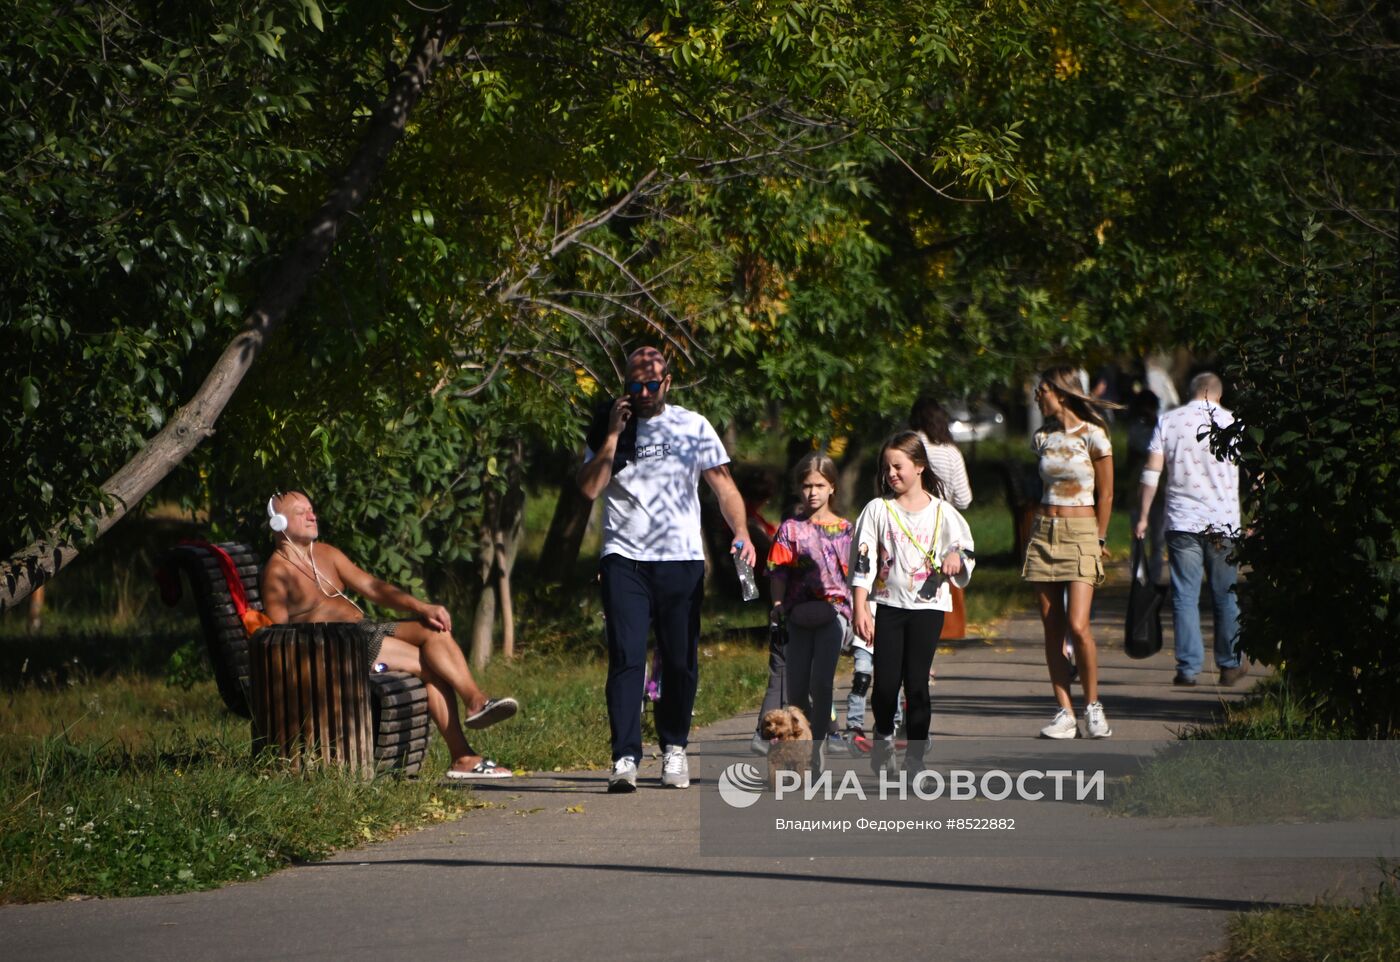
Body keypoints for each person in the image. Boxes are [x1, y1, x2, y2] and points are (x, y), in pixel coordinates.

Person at [578, 346, 755, 794]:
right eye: (635, 385)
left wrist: (742, 532)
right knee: (627, 658)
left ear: (668, 383)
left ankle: (674, 747)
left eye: (651, 384)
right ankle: (624, 758)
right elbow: (589, 488)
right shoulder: (607, 425)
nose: (643, 392)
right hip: (624, 558)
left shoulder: (692, 426)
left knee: (679, 660)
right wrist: (614, 435)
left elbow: (724, 487)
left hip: (680, 560)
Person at [260, 491, 518, 779]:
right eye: (301, 512)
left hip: (365, 631)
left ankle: (475, 701)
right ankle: (463, 756)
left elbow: (372, 587)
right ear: (279, 523)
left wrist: (422, 607)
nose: (312, 516)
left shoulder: (326, 554)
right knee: (431, 666)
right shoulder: (277, 573)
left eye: (311, 509)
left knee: (434, 628)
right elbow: (279, 638)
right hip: (336, 648)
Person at [850, 432, 975, 774]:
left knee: (917, 684)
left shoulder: (942, 512)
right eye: (886, 467)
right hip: (888, 607)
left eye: (898, 466)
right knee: (886, 685)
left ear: (919, 466)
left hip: (928, 609)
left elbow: (964, 548)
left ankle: (915, 757)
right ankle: (883, 735)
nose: (891, 473)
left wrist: (955, 558)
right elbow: (863, 562)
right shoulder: (878, 509)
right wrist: (860, 608)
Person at [1023, 365, 1121, 739]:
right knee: (1052, 627)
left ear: (1060, 393)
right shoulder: (1042, 437)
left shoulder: (1095, 436)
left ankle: (1093, 707)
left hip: (1081, 532)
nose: (1037, 396)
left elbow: (1107, 494)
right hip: (1044, 532)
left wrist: (1099, 538)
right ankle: (1064, 712)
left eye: (1041, 390)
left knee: (1078, 626)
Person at [1134, 372, 1246, 687]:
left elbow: (1151, 473)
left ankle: (1188, 668)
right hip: (1223, 522)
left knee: (1185, 595)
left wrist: (1143, 516)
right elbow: (1257, 471)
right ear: (1219, 394)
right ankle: (1230, 664)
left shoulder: (1169, 421)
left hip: (1182, 520)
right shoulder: (1233, 422)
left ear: (1190, 391)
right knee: (1225, 595)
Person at [765, 453, 853, 765]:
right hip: (797, 615)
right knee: (798, 689)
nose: (812, 492)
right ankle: (798, 750)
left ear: (832, 488)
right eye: (806, 485)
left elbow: (857, 575)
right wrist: (777, 603)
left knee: (821, 681)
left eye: (819, 485)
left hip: (834, 614)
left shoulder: (846, 530)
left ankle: (818, 748)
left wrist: (865, 612)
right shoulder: (790, 529)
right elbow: (778, 571)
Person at [909, 396, 973, 510]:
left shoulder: (906, 446)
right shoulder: (951, 452)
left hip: (906, 518)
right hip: (940, 519)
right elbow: (963, 500)